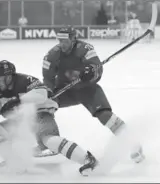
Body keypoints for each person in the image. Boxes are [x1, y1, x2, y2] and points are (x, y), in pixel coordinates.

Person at [0, 60, 98, 175]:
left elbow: (42, 94)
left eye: (1, 79)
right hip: (19, 120)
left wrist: (19, 99)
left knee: (49, 141)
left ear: (9, 77)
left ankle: (86, 159)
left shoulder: (25, 80)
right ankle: (15, 162)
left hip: (40, 114)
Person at [42, 26, 145, 171]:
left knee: (105, 115)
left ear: (73, 38)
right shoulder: (52, 55)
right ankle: (47, 142)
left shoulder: (85, 48)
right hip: (64, 91)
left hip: (87, 89)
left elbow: (97, 68)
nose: (62, 44)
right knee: (43, 107)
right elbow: (48, 79)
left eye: (65, 40)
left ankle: (132, 143)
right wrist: (48, 92)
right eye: (60, 40)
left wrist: (90, 72)